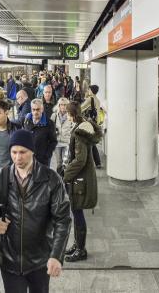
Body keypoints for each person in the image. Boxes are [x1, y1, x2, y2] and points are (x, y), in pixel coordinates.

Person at [0, 130, 72, 293]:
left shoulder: (50, 179)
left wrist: (56, 255)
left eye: (23, 152)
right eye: (14, 152)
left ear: (32, 151)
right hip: (9, 260)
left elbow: (63, 219)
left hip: (39, 261)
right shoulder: (1, 177)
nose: (18, 157)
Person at [62, 102, 103, 262]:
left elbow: (80, 160)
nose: (66, 115)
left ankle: (81, 250)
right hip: (81, 179)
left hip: (79, 180)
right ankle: (77, 244)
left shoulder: (79, 133)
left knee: (77, 213)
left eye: (67, 113)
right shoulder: (83, 127)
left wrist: (66, 174)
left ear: (71, 114)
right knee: (76, 212)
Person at [23, 99, 58, 167]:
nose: (35, 112)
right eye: (33, 109)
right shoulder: (26, 121)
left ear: (42, 109)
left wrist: (47, 155)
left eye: (38, 109)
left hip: (42, 160)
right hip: (28, 159)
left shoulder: (49, 123)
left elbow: (53, 141)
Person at [81, 85, 103, 168]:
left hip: (89, 123)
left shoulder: (90, 99)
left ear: (91, 90)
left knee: (87, 143)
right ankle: (97, 162)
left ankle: (87, 163)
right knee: (91, 143)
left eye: (89, 89)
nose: (88, 90)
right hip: (95, 123)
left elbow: (81, 108)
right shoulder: (97, 100)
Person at [51, 97, 73, 170]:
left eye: (65, 105)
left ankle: (65, 180)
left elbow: (73, 128)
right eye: (61, 104)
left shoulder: (71, 115)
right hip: (57, 143)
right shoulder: (54, 116)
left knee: (65, 163)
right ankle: (59, 179)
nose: (63, 106)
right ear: (59, 105)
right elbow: (50, 128)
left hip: (67, 142)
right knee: (59, 163)